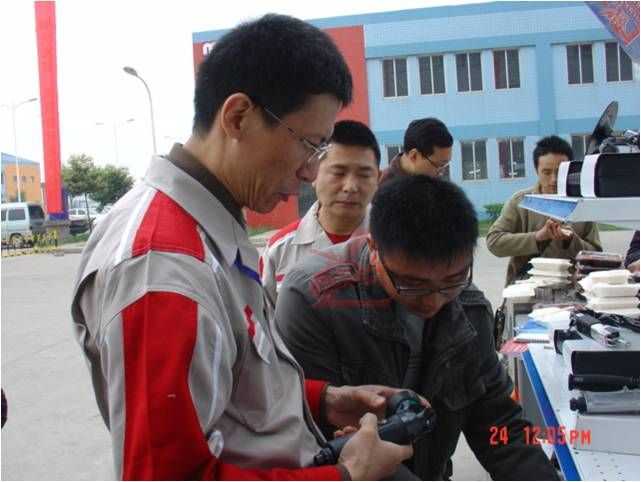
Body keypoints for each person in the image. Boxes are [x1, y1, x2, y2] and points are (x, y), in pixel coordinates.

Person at [70, 14, 413, 481]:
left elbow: (229, 379)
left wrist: (322, 400)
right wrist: (346, 474)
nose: (311, 172)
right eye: (309, 145)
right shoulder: (164, 271)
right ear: (237, 117)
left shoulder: (209, 225)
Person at [275, 175, 559, 480]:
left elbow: (500, 426)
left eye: (453, 280)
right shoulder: (315, 300)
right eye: (412, 285)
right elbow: (318, 441)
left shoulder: (468, 307)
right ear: (374, 247)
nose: (433, 302)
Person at [261, 119, 381, 304]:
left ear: (378, 179)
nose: (350, 187)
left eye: (364, 175)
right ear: (314, 174)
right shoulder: (280, 250)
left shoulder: (394, 240)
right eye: (338, 173)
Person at [487, 135, 602, 286]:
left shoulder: (582, 204)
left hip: (574, 289)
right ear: (537, 171)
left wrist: (571, 240)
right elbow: (494, 242)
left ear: (570, 170)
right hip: (526, 289)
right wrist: (537, 237)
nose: (554, 179)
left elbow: (597, 256)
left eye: (560, 172)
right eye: (546, 172)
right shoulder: (521, 202)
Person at [380, 117, 453, 182]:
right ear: (414, 156)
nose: (441, 173)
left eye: (445, 165)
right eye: (438, 165)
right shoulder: (381, 189)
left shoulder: (436, 183)